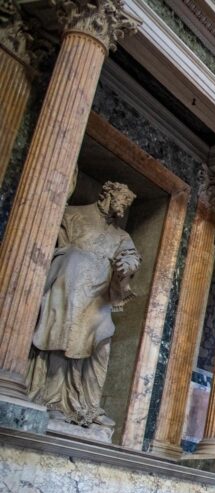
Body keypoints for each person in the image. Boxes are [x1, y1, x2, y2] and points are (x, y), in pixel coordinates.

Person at [26, 181, 140, 427]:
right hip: (66, 290)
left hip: (98, 298)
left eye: (127, 205)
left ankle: (88, 404)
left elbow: (131, 256)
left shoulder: (121, 236)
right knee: (61, 340)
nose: (123, 208)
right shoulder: (72, 214)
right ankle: (54, 399)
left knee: (101, 345)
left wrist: (127, 266)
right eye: (121, 201)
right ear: (107, 195)